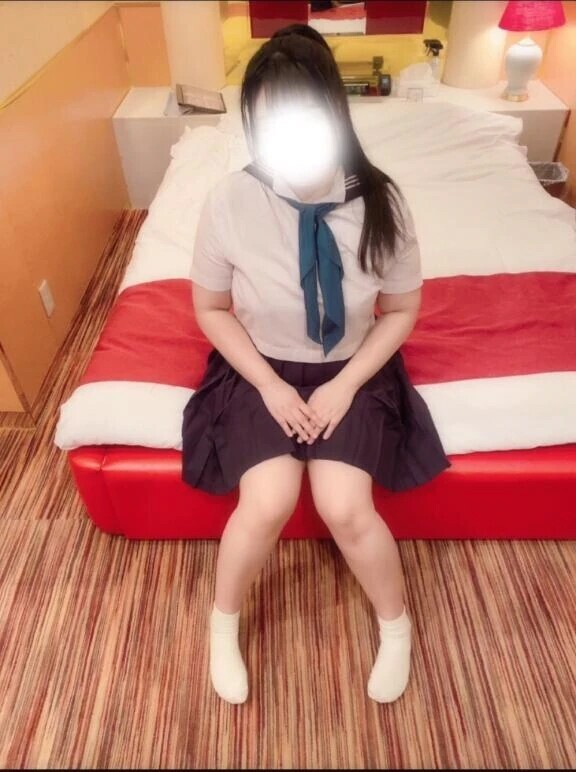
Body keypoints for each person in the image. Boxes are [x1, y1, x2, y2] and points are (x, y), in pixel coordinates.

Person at [181, 23, 451, 705]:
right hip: (259, 366)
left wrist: (346, 385)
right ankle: (222, 624)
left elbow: (401, 310)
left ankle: (396, 626)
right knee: (266, 502)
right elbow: (211, 308)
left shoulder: (382, 202)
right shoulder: (230, 201)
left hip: (351, 366)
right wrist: (270, 385)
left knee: (346, 507)